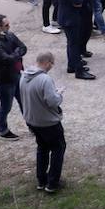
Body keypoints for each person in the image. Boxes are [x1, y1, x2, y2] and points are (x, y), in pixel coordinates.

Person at [21, 51, 67, 193]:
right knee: (58, 148)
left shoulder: (23, 76)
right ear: (47, 62)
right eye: (52, 64)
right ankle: (52, 183)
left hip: (32, 121)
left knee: (42, 149)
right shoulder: (44, 79)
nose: (51, 67)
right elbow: (52, 101)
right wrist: (59, 94)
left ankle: (41, 180)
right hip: (48, 123)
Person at [53, 0, 94, 80]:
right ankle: (79, 71)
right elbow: (78, 0)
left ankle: (72, 65)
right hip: (70, 18)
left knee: (71, 43)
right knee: (74, 44)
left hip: (64, 16)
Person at [0, 14, 27, 138]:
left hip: (16, 76)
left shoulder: (10, 36)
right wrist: (17, 53)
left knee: (24, 103)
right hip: (4, 81)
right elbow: (8, 60)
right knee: (6, 107)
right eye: (6, 25)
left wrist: (15, 54)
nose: (9, 27)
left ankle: (32, 125)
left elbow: (23, 48)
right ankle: (3, 130)